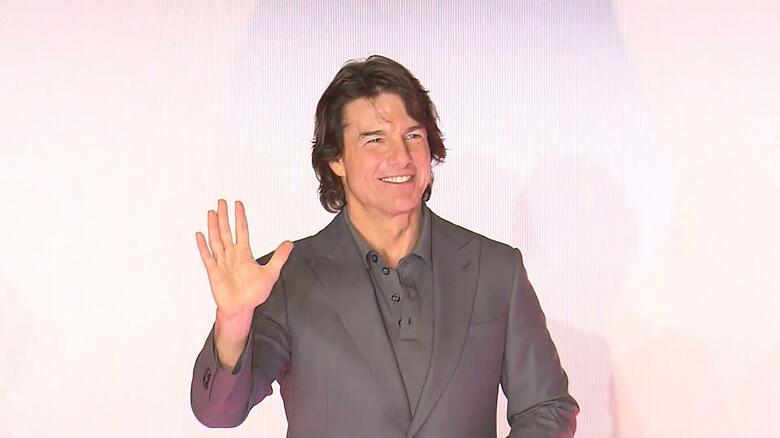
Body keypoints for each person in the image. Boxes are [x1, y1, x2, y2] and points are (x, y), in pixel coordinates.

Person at [191, 55, 578, 437]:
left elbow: (547, 408)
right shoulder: (287, 279)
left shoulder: (495, 268)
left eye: (413, 136)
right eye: (375, 139)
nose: (401, 157)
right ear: (336, 159)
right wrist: (233, 323)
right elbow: (219, 412)